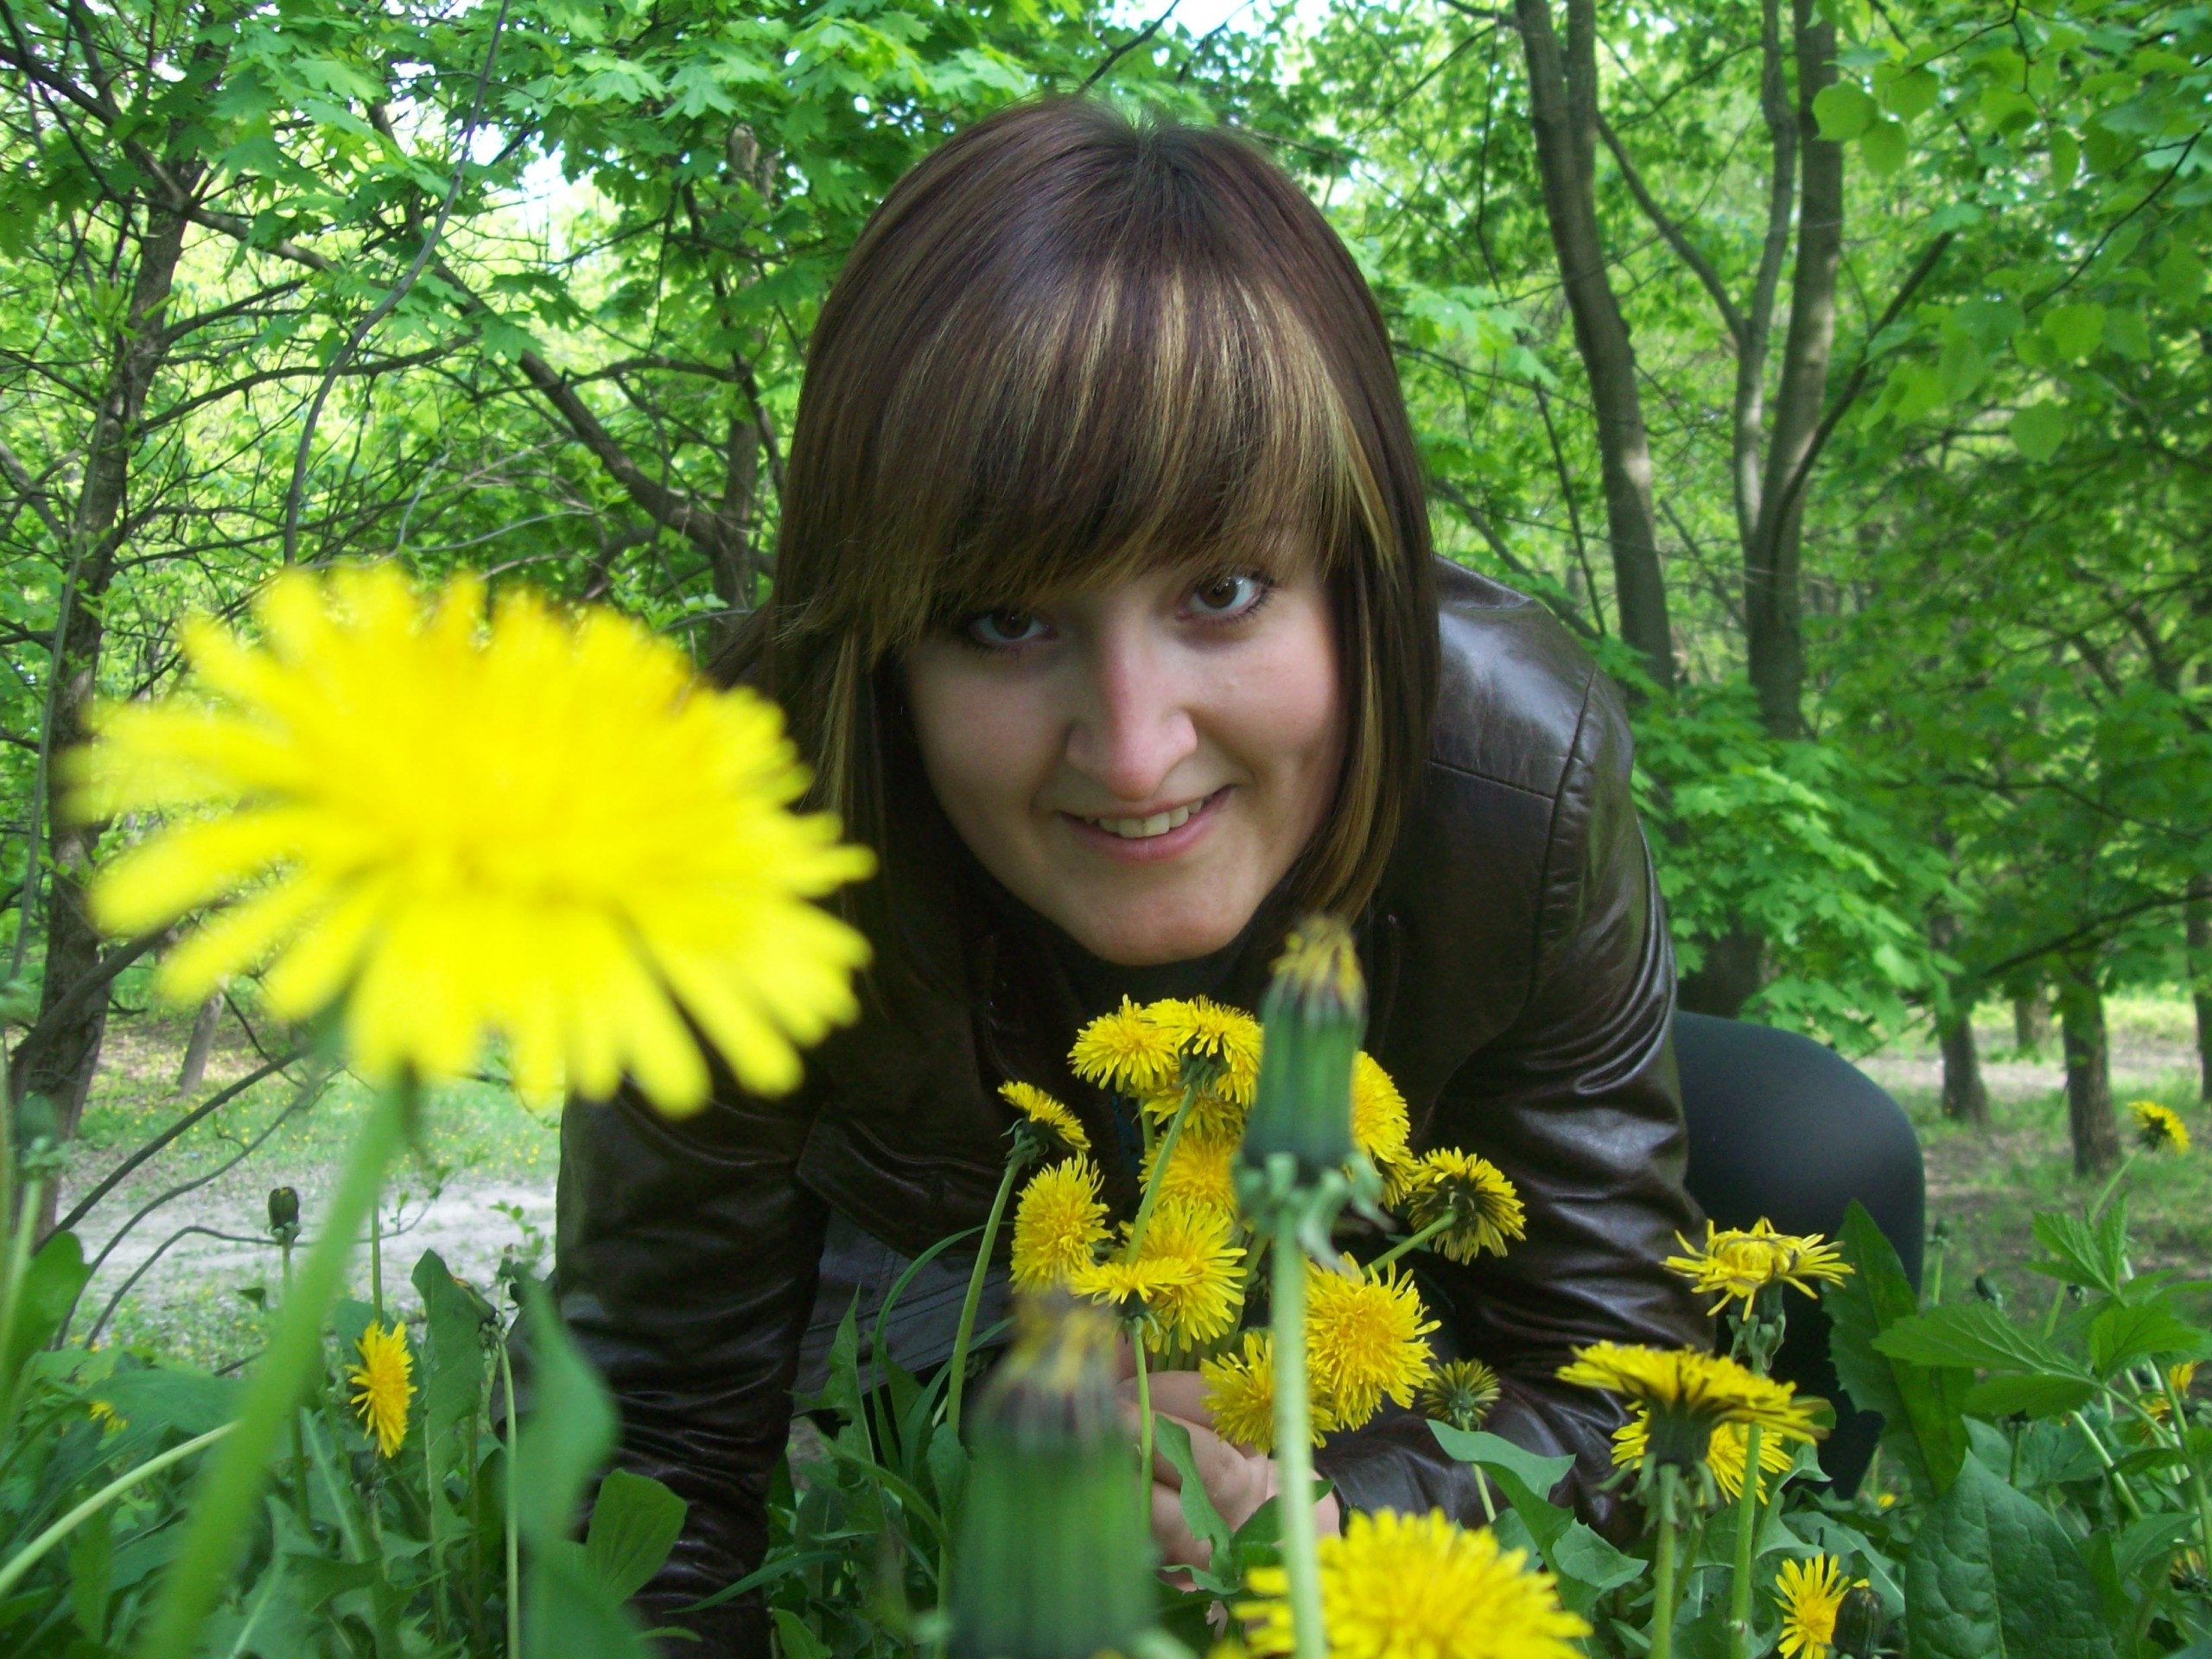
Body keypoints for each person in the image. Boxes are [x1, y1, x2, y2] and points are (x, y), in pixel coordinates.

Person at [555, 96, 1923, 1654]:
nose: (1136, 751)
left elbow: (1605, 1362)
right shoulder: (731, 814)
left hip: (1380, 1236)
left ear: (1355, 574)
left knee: (1808, 1141)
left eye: (1220, 590)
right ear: (883, 642)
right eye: (1005, 621)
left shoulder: (1519, 768)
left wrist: (1338, 1522)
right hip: (962, 1247)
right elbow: (646, 1433)